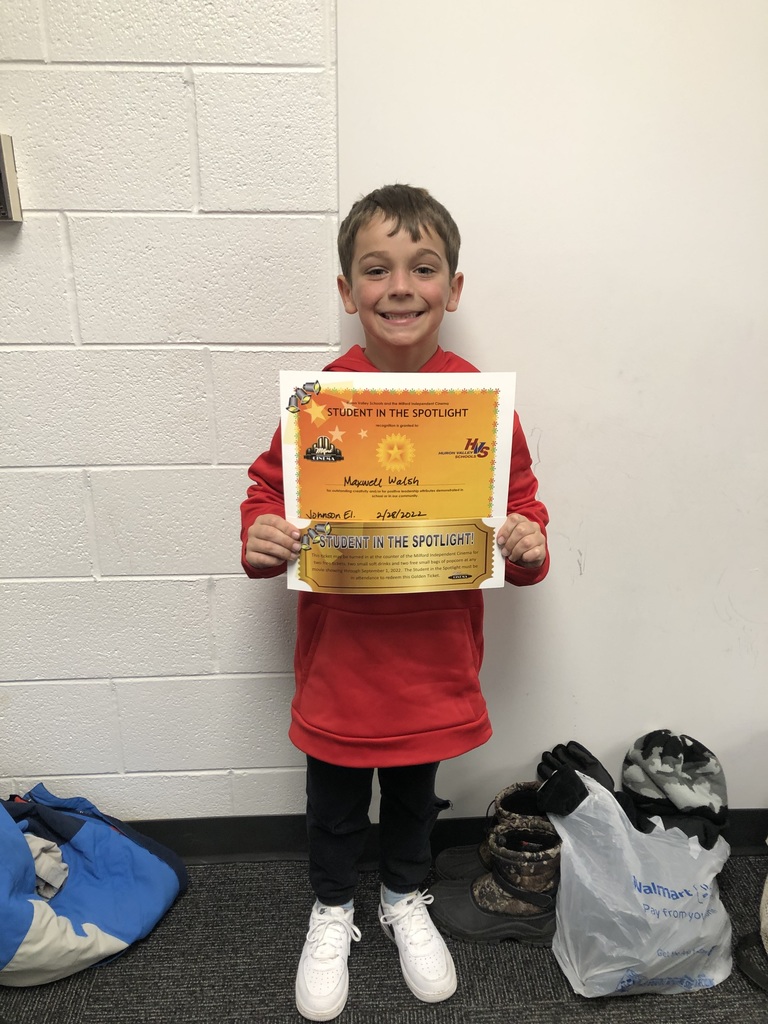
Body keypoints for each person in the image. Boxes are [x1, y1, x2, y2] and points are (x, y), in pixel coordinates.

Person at [240, 184, 550, 1021]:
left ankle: (403, 898)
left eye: (423, 267)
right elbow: (267, 493)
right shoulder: (318, 404)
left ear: (454, 287)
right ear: (348, 292)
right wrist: (261, 537)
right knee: (335, 809)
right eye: (376, 270)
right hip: (341, 665)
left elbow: (521, 508)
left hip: (434, 666)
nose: (401, 286)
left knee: (414, 804)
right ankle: (334, 908)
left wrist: (528, 546)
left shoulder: (483, 406)